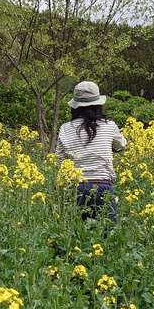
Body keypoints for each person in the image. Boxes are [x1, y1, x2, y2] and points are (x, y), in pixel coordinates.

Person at [56, 81, 126, 223]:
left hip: (75, 190)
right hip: (103, 188)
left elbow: (59, 161)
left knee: (76, 238)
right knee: (108, 236)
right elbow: (122, 145)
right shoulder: (109, 126)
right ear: (98, 104)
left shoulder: (65, 128)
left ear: (75, 106)